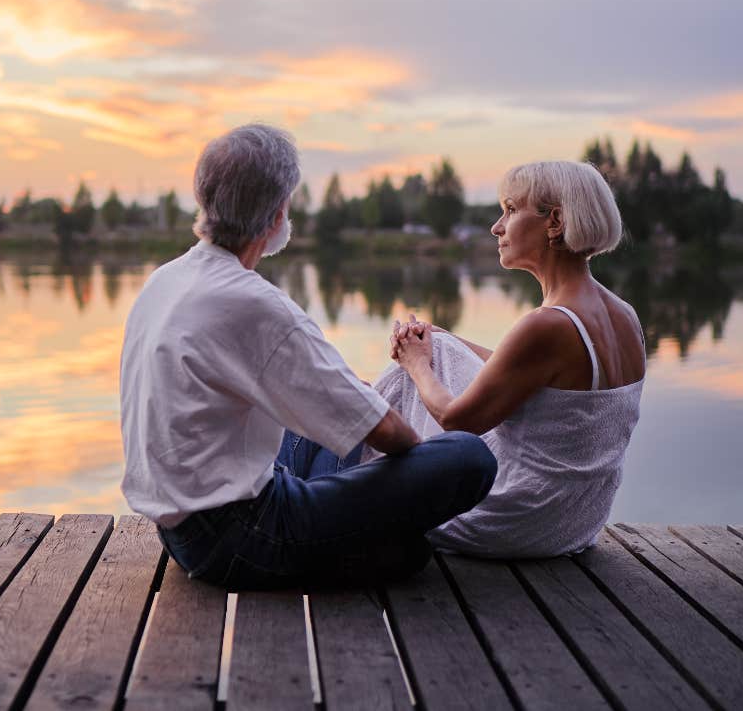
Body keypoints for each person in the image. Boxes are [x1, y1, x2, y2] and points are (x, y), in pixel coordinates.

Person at [120, 124, 497, 589]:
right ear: (278, 212)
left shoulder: (167, 279)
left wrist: (355, 414)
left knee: (335, 411)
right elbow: (388, 432)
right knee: (467, 458)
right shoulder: (254, 302)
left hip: (179, 529)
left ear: (206, 198)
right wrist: (416, 474)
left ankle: (339, 524)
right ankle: (343, 535)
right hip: (241, 536)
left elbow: (337, 402)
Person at [378, 160, 646, 558]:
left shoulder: (548, 325)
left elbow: (457, 420)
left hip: (513, 521)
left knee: (405, 380)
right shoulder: (623, 315)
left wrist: (414, 363)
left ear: (554, 222)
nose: (496, 226)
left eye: (511, 210)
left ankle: (336, 481)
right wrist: (445, 340)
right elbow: (536, 378)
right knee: (441, 350)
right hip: (574, 522)